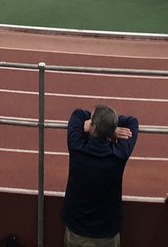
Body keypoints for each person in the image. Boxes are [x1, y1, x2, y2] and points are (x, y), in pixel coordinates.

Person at [62, 105, 139, 247]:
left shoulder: (76, 147)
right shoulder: (119, 155)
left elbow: (78, 114)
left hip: (76, 229)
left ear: (93, 127)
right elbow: (132, 122)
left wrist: (99, 123)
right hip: (107, 233)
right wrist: (110, 128)